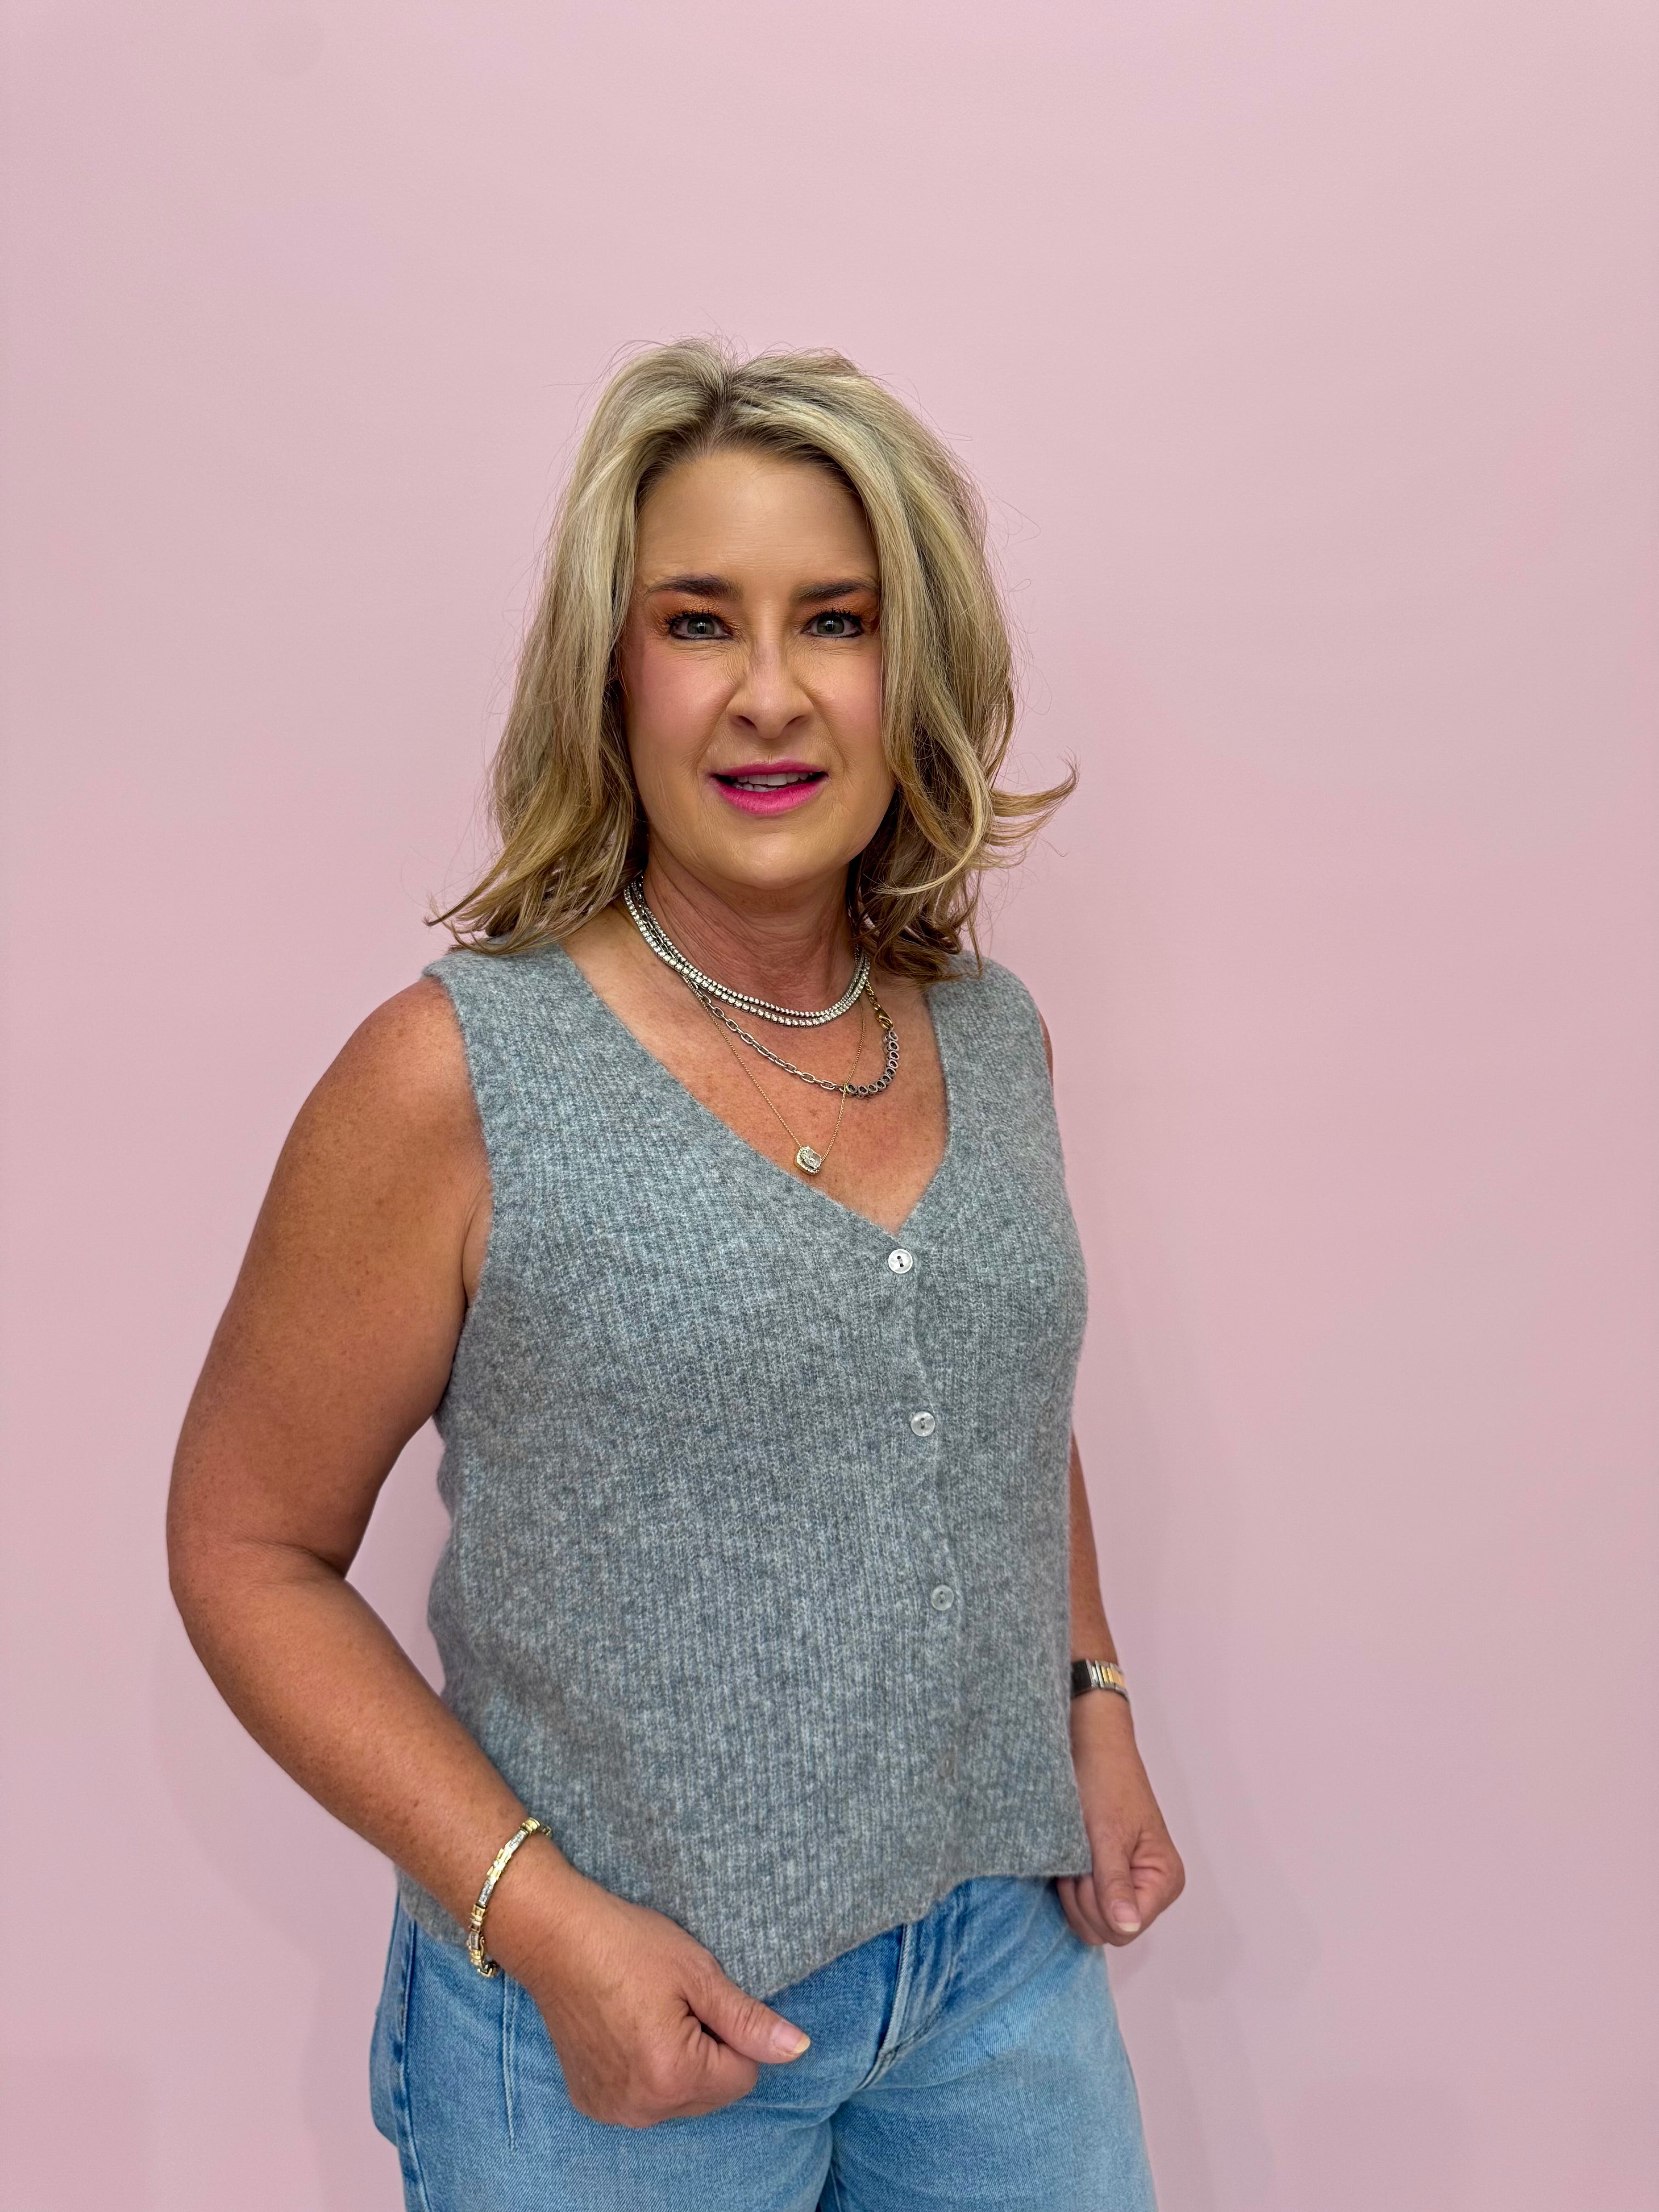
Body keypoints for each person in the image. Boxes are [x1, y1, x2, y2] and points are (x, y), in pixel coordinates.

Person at [167, 340, 1184, 2211]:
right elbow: (244, 1550)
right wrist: (548, 1926)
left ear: (911, 670)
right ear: (611, 674)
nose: (770, 692)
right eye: (699, 621)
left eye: (837, 621)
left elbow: (980, 1395)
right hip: (613, 2046)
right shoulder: (455, 1077)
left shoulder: (991, 1036)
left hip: (1001, 1984)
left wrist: (1090, 1697)